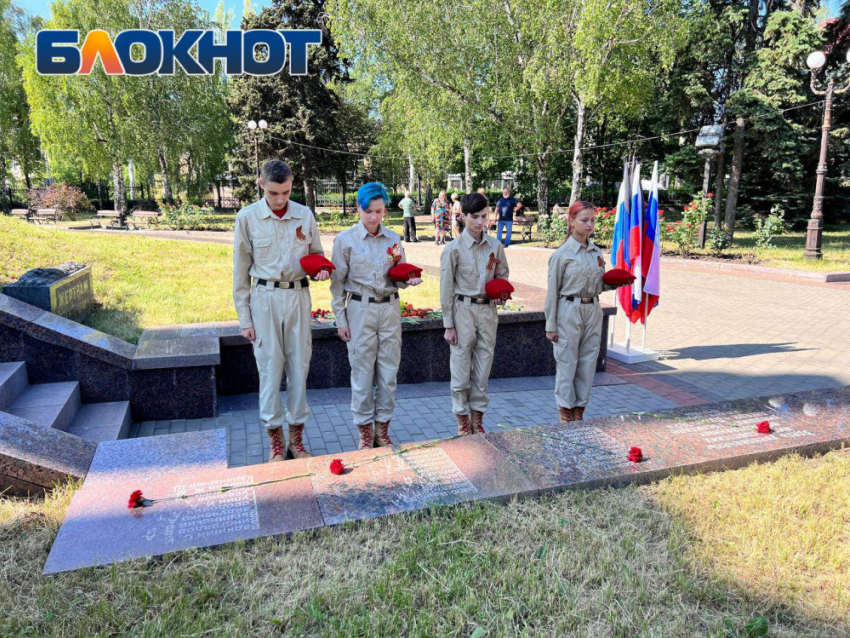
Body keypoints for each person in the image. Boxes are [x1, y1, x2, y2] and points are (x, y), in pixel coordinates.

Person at [233, 160, 329, 462]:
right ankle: (275, 442)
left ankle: (296, 441)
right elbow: (240, 272)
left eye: (285, 192)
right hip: (264, 299)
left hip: (298, 297)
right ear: (261, 184)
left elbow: (317, 256)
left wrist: (320, 272)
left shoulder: (304, 214)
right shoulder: (247, 218)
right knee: (270, 369)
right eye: (274, 193)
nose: (280, 200)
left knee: (299, 367)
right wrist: (244, 318)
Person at [331, 182, 423, 450]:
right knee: (361, 373)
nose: (374, 217)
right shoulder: (345, 241)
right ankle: (364, 434)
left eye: (380, 211)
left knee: (388, 373)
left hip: (389, 310)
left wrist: (409, 280)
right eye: (369, 211)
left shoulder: (393, 239)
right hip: (360, 310)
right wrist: (341, 320)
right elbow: (337, 287)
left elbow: (398, 274)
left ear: (386, 211)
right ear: (359, 208)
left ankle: (382, 431)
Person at [544, 201, 623, 423]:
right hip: (569, 310)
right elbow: (552, 293)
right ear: (571, 221)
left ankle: (580, 410)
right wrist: (551, 325)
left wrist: (615, 282)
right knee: (567, 363)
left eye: (592, 220)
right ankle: (566, 413)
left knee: (588, 363)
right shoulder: (562, 255)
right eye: (584, 220)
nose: (590, 225)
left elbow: (599, 284)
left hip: (592, 309)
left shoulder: (595, 252)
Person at [441, 193, 509, 435]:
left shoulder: (495, 246)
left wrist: (501, 290)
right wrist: (448, 324)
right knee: (460, 368)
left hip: (487, 311)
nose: (481, 222)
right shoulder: (454, 249)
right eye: (475, 217)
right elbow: (446, 288)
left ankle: (477, 420)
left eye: (485, 216)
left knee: (483, 366)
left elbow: (502, 275)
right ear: (463, 216)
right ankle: (462, 421)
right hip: (463, 311)